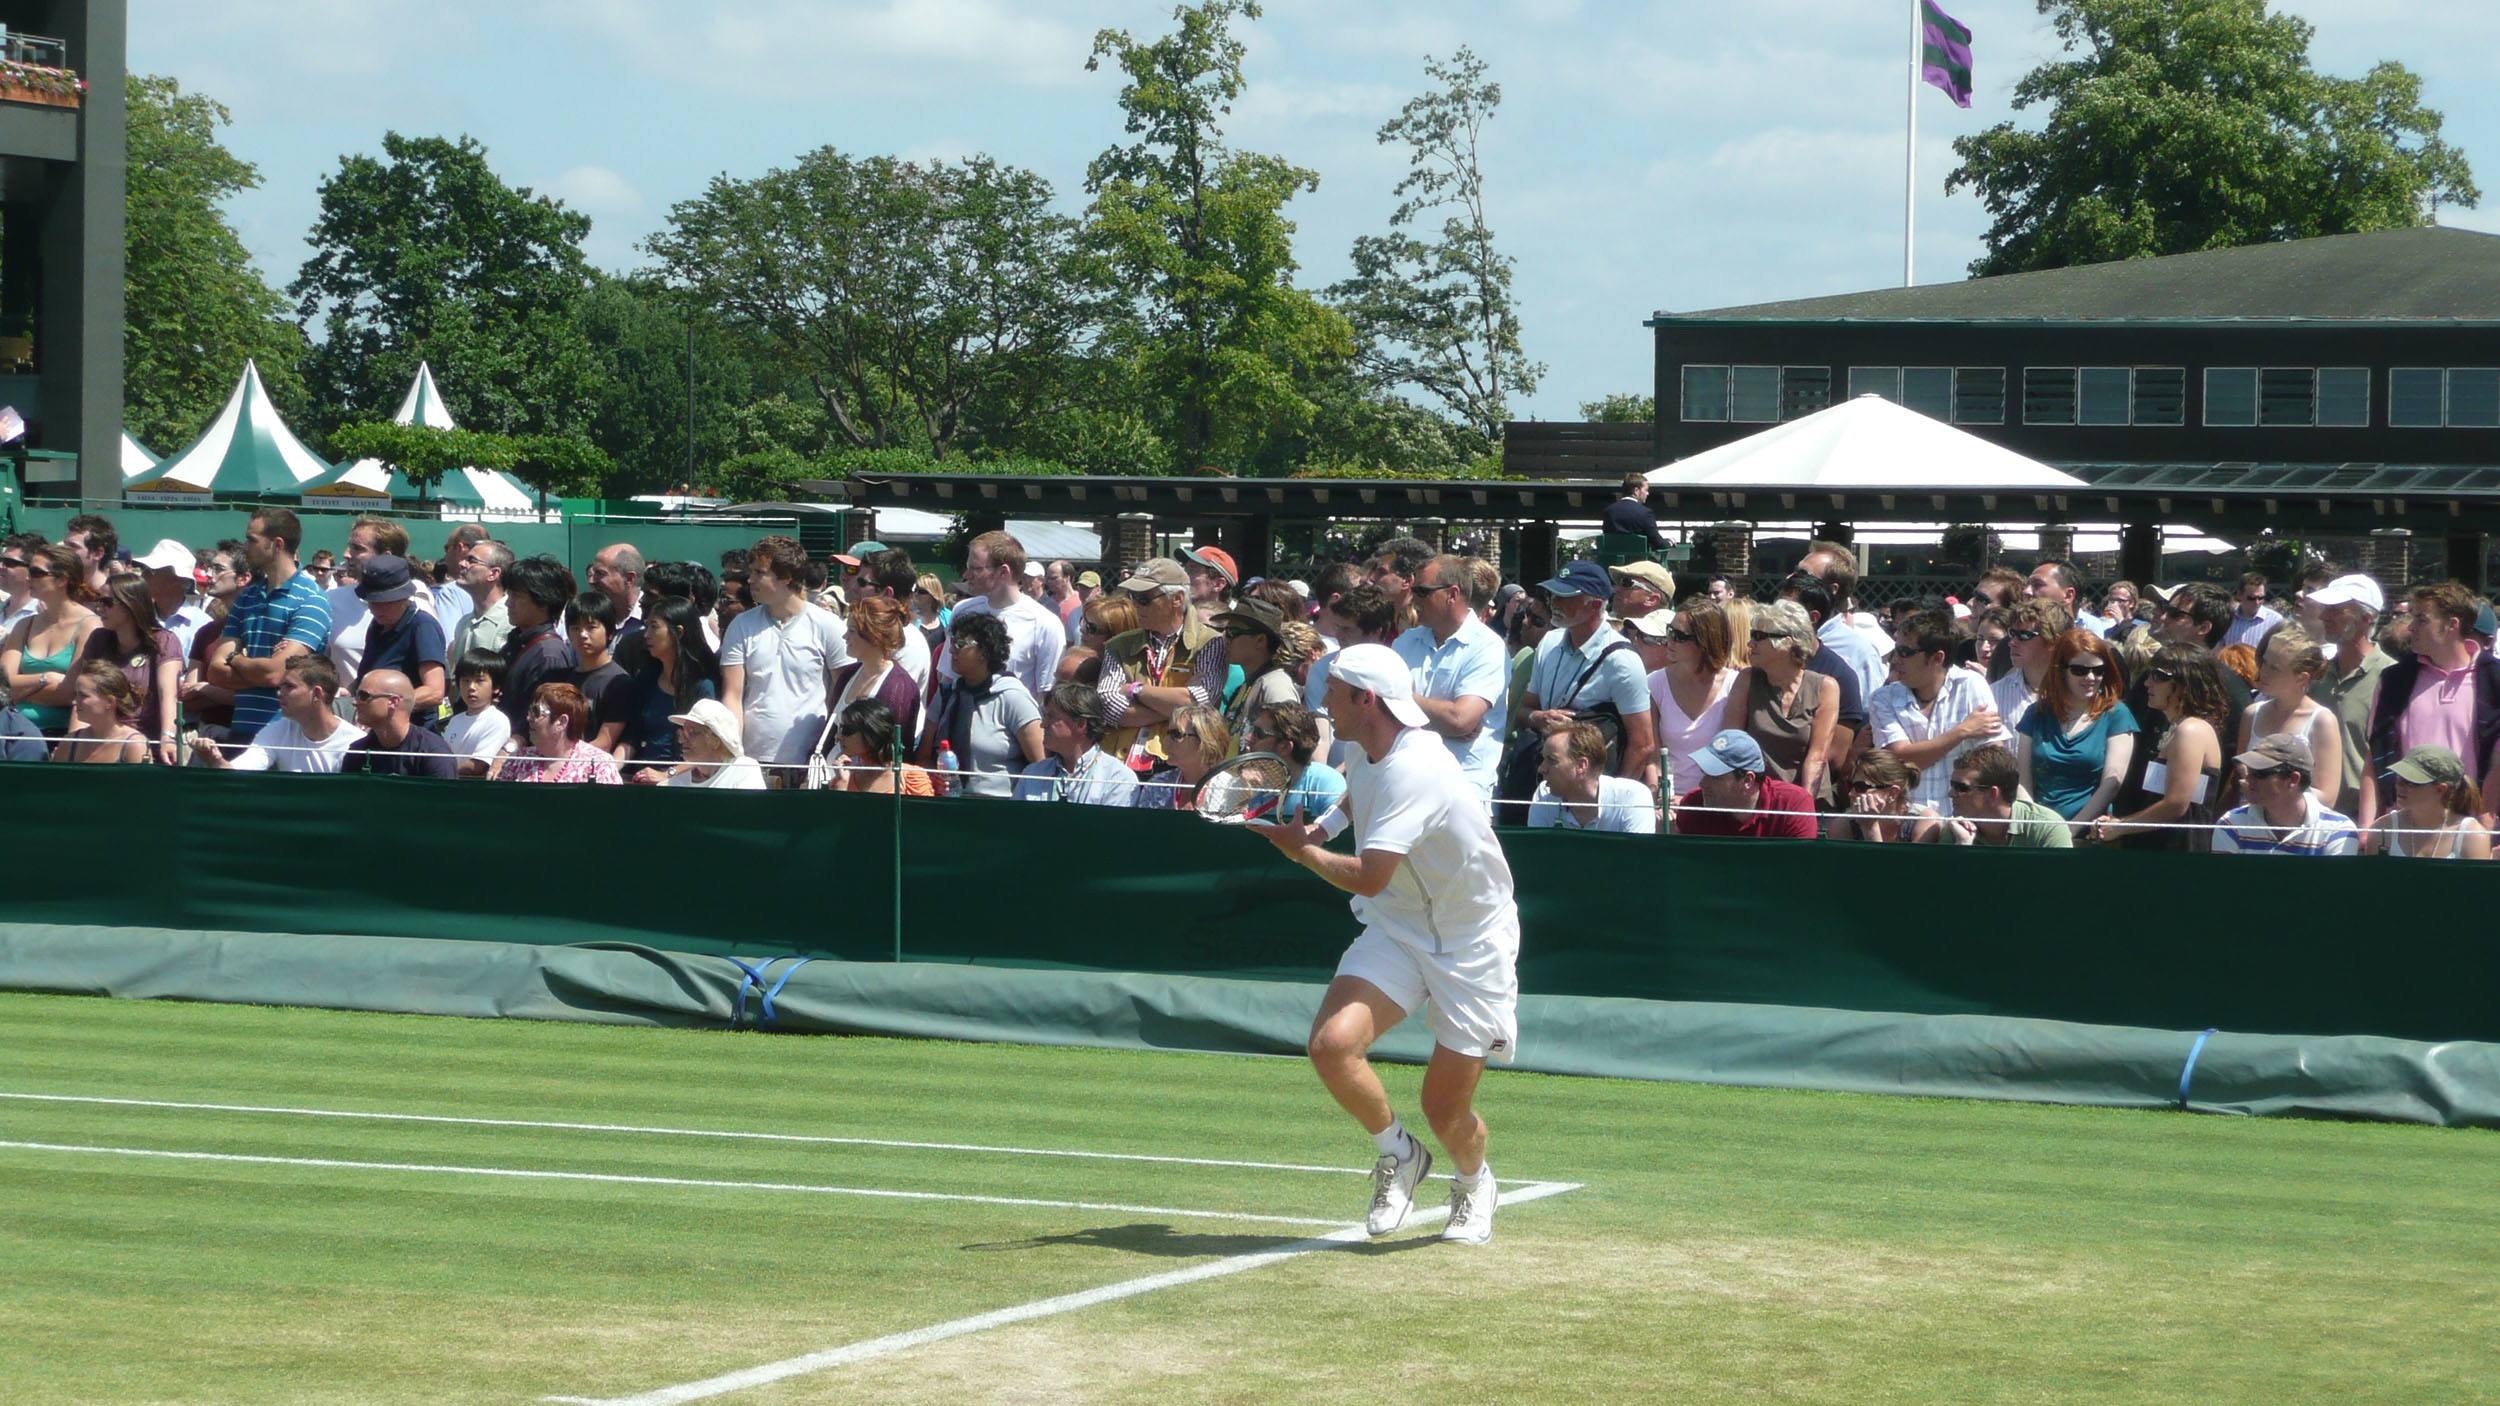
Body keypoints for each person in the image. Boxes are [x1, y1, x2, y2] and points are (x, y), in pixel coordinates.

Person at [1251, 642, 1516, 1245]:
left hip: (1471, 941)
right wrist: (1319, 829)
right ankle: (1399, 1154)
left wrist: (1302, 852)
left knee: (1444, 1109)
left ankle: (1475, 1183)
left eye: (1334, 692)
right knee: (1332, 1045)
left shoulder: (1416, 769)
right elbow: (1354, 796)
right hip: (1399, 925)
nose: (1323, 704)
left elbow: (1370, 875)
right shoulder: (1362, 743)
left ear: (1365, 700)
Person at [2369, 582, 2500, 826]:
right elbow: (2374, 756)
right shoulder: (2395, 680)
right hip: (2403, 824)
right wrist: (2367, 828)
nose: (2410, 627)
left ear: (2452, 625)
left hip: (2471, 826)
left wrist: (2486, 826)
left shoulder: (2494, 681)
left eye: (2421, 619)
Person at [719, 535, 848, 781]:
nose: (750, 579)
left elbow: (844, 697)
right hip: (751, 762)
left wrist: (832, 750)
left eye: (759, 572)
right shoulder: (741, 625)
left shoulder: (828, 626)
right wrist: (733, 754)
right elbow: (732, 695)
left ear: (786, 577)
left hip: (810, 763)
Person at [1519, 560, 1657, 788]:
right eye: (1553, 594)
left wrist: (1609, 801)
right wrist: (1538, 718)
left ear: (1594, 604)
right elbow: (1524, 710)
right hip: (1543, 781)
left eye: (1564, 596)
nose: (1554, 602)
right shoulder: (1549, 643)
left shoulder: (1623, 661)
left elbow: (1642, 743)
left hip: (1593, 791)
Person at [204, 509, 331, 745]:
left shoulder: (311, 599)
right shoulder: (247, 597)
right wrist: (265, 672)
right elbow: (214, 672)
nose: (245, 546)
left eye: (252, 540)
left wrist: (236, 659)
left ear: (277, 544)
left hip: (287, 737)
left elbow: (275, 673)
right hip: (241, 732)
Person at [1390, 555, 1508, 799]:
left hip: (1462, 789)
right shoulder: (1405, 642)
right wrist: (1441, 720)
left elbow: (1459, 720)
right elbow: (1380, 711)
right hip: (1406, 783)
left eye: (1422, 591)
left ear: (1452, 594)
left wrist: (1397, 698)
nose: (1413, 599)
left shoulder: (1488, 647)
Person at [2092, 644, 2229, 851]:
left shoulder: (2191, 730)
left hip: (2178, 855)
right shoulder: (2178, 727)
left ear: (2185, 683)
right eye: (2148, 675)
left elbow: (2176, 804)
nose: (2147, 683)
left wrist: (2120, 827)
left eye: (2158, 676)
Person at [1869, 607, 2007, 813]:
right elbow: (1899, 761)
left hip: (1962, 819)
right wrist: (1962, 731)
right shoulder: (1883, 698)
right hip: (1905, 821)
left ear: (1937, 657)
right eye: (1896, 649)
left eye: (1905, 652)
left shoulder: (1971, 685)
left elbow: (1994, 759)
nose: (1894, 659)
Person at [1097, 558, 1225, 776]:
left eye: (1144, 599)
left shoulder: (1209, 642)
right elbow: (1108, 706)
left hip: (1178, 765)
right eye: (1132, 597)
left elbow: (1200, 704)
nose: (1134, 605)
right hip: (1120, 763)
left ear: (1177, 599)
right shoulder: (1119, 645)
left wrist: (1136, 690)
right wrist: (1173, 710)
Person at [1721, 598, 1841, 806]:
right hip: (1758, 798)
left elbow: (1817, 756)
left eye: (1758, 637)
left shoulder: (1825, 687)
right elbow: (1731, 744)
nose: (1750, 644)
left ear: (1788, 642)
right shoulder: (1747, 680)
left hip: (1808, 798)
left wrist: (1803, 807)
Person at [2017, 629, 2137, 828]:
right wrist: (2031, 825)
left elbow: (2112, 783)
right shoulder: (2035, 713)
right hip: (2038, 829)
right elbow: (2023, 781)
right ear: (2061, 670)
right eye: (2080, 670)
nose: (2091, 677)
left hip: (2088, 833)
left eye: (2098, 670)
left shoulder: (2117, 714)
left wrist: (2070, 831)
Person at [2305, 575, 2392, 825]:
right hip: (2314, 814)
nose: (2324, 617)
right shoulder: (2317, 676)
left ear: (2367, 618)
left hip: (2363, 820)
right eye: (2325, 609)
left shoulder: (2391, 678)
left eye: (2336, 610)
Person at [927, 611, 1042, 797]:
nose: (951, 650)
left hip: (1000, 809)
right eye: (952, 641)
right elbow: (924, 757)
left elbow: (1041, 766)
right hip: (948, 806)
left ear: (984, 652)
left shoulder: (1013, 697)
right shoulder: (947, 694)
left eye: (960, 644)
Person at [813, 595, 922, 785]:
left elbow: (894, 754)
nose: (844, 636)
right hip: (831, 781)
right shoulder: (849, 674)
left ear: (873, 637)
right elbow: (831, 733)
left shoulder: (900, 688)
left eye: (852, 631)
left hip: (869, 789)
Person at [190, 654, 363, 773]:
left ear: (317, 694)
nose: (279, 693)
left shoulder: (355, 743)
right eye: (280, 686)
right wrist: (215, 760)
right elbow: (241, 771)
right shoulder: (278, 731)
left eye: (289, 686)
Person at [943, 530, 1063, 699]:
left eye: (975, 569)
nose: (966, 575)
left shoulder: (1045, 624)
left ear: (1003, 572)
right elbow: (947, 678)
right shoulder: (962, 611)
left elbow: (1045, 695)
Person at [78, 575, 182, 764]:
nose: (98, 608)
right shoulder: (98, 639)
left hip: (145, 743)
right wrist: (73, 743)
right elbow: (83, 695)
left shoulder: (164, 641)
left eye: (107, 602)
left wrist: (168, 737)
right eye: (98, 600)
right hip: (101, 739)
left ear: (129, 605)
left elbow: (168, 695)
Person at [2235, 627, 2340, 810]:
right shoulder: (2252, 714)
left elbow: (2327, 796)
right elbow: (2241, 770)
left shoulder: (2322, 721)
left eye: (2274, 668)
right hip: (2250, 822)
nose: (2263, 672)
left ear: (2302, 678)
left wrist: (2269, 790)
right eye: (2264, 662)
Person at [0, 543, 95, 738]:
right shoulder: (24, 625)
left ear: (61, 580)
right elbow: (3, 682)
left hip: (58, 735)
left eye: (36, 572)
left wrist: (18, 695)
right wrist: (45, 678)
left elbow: (70, 693)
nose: (28, 577)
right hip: (11, 731)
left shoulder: (89, 626)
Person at [1646, 600, 1737, 798]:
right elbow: (1653, 756)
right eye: (1669, 631)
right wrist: (1661, 798)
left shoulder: (1735, 685)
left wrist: (1699, 799)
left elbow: (1730, 756)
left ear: (1705, 641)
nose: (1668, 640)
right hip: (1668, 798)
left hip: (1716, 799)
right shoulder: (1654, 683)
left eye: (1679, 636)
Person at [2212, 734, 2360, 855]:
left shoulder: (2338, 831)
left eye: (2260, 773)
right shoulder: (2230, 824)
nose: (2248, 779)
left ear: (2293, 779)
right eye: (2249, 771)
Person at [619, 596, 719, 775]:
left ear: (679, 632)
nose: (646, 634)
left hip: (685, 783)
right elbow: (632, 737)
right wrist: (612, 765)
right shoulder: (646, 680)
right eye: (646, 625)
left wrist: (667, 774)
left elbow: (708, 749)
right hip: (641, 778)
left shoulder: (702, 687)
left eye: (654, 627)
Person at [1670, 729, 1818, 839]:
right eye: (1704, 773)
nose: (1702, 784)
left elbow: (1801, 871)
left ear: (1748, 780)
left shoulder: (1793, 805)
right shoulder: (1693, 805)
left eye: (1714, 776)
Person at [350, 556, 449, 718]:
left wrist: (382, 706)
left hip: (413, 731)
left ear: (403, 598)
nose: (376, 609)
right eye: (372, 602)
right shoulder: (376, 626)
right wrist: (348, 692)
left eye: (385, 602)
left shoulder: (422, 626)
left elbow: (434, 691)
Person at [494, 556, 579, 736]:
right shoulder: (516, 643)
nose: (508, 603)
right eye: (508, 595)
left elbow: (542, 722)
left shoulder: (549, 654)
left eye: (516, 596)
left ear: (542, 601)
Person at [1795, 541, 1892, 697]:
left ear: (1832, 589)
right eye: (1794, 571)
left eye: (1803, 575)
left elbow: (1870, 712)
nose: (1791, 578)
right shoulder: (1773, 638)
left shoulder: (1859, 651)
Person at [1015, 682, 1139, 805]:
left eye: (1051, 717)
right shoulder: (1033, 774)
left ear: (1080, 724)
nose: (1042, 725)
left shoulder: (1118, 779)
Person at [2365, 745, 2492, 860]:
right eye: (2399, 778)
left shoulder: (2472, 835)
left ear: (2440, 789)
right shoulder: (2383, 829)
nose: (2399, 786)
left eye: (2411, 782)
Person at [1527, 721, 1657, 833]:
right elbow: (1537, 856)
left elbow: (1637, 860)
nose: (1541, 769)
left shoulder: (1632, 797)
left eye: (1552, 760)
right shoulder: (1544, 793)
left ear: (1581, 766)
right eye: (1543, 759)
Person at [1217, 596, 1308, 749]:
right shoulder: (1252, 682)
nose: (1225, 638)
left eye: (1232, 632)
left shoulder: (1275, 686)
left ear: (1260, 640)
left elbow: (1286, 750)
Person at [1941, 744, 2072, 848]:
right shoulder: (1955, 830)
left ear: (1993, 793)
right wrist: (1962, 847)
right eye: (1952, 785)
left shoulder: (2046, 828)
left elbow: (2059, 881)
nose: (1951, 793)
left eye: (1961, 788)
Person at [492, 682, 623, 785]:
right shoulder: (518, 760)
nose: (528, 718)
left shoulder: (599, 765)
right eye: (530, 711)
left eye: (536, 712)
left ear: (561, 722)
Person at [340, 669, 456, 778]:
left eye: (364, 696)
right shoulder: (358, 751)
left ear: (393, 702)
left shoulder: (433, 754)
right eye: (356, 695)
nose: (355, 702)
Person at [1245, 699, 1346, 824]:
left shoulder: (1327, 783)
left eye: (1258, 733)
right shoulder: (1246, 783)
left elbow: (1339, 840)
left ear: (1285, 747)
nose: (1248, 738)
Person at [563, 590, 634, 755]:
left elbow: (604, 742)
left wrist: (566, 760)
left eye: (591, 627)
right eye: (575, 628)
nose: (582, 635)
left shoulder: (619, 683)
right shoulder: (560, 678)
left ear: (609, 632)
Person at [1825, 749, 1943, 843]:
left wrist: (1870, 828)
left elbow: (1906, 873)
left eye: (1860, 787)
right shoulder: (1842, 826)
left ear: (1892, 794)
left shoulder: (1925, 822)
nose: (1851, 794)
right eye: (1850, 785)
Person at [1990, 598, 2070, 733]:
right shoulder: (1993, 694)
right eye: (2012, 634)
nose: (2012, 643)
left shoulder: (2077, 691)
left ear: (2053, 642)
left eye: (2024, 635)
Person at [827, 697, 935, 796]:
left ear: (871, 733)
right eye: (840, 730)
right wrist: (842, 785)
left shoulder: (911, 778)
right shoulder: (844, 778)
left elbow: (925, 816)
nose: (838, 737)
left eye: (847, 730)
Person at [1136, 703, 1231, 811]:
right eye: (1168, 734)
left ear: (1205, 740)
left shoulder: (1230, 790)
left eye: (1176, 734)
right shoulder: (1158, 786)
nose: (1165, 742)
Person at [55, 661, 150, 764]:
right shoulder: (69, 744)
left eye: (83, 695)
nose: (74, 701)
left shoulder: (134, 745)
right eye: (76, 694)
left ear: (110, 702)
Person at [660, 697, 766, 790]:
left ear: (716, 740)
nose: (682, 740)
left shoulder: (743, 769)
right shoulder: (675, 783)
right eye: (684, 732)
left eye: (692, 732)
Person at [135, 539, 212, 658]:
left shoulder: (202, 625)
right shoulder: (137, 618)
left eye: (151, 571)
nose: (143, 575)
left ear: (177, 579)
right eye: (144, 569)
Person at [444, 648, 513, 779]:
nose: (471, 687)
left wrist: (439, 769)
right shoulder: (455, 720)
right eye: (465, 680)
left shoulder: (497, 721)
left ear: (496, 686)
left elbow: (478, 766)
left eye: (479, 681)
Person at [449, 539, 513, 663]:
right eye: (464, 559)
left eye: (471, 561)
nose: (462, 563)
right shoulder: (463, 624)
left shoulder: (511, 622)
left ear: (493, 574)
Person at [2026, 558, 2108, 637]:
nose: (2026, 591)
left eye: (2037, 585)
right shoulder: (2019, 633)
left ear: (2068, 595)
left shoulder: (2091, 629)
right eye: (2027, 585)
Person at [1366, 536, 1433, 629]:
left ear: (1407, 581)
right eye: (1373, 570)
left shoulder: (1428, 629)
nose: (1371, 578)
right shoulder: (1378, 620)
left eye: (1382, 572)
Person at [1601, 473, 1667, 551]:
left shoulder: (1609, 511)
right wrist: (1669, 542)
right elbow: (1658, 543)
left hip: (1612, 561)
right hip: (1638, 561)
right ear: (1636, 491)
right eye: (1646, 490)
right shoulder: (1646, 513)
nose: (1648, 493)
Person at [2221, 572, 2282, 649]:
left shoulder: (2275, 621)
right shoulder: (2226, 618)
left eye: (2261, 598)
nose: (2257, 602)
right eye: (2251, 598)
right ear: (2239, 595)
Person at [63, 513, 117, 597]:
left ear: (97, 554)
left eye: (73, 546)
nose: (64, 550)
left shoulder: (112, 600)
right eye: (65, 544)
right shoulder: (59, 592)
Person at [1183, 545, 1238, 612]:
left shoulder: (1237, 621)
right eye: (1185, 569)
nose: (1183, 575)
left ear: (1218, 584)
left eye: (1192, 570)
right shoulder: (1175, 617)